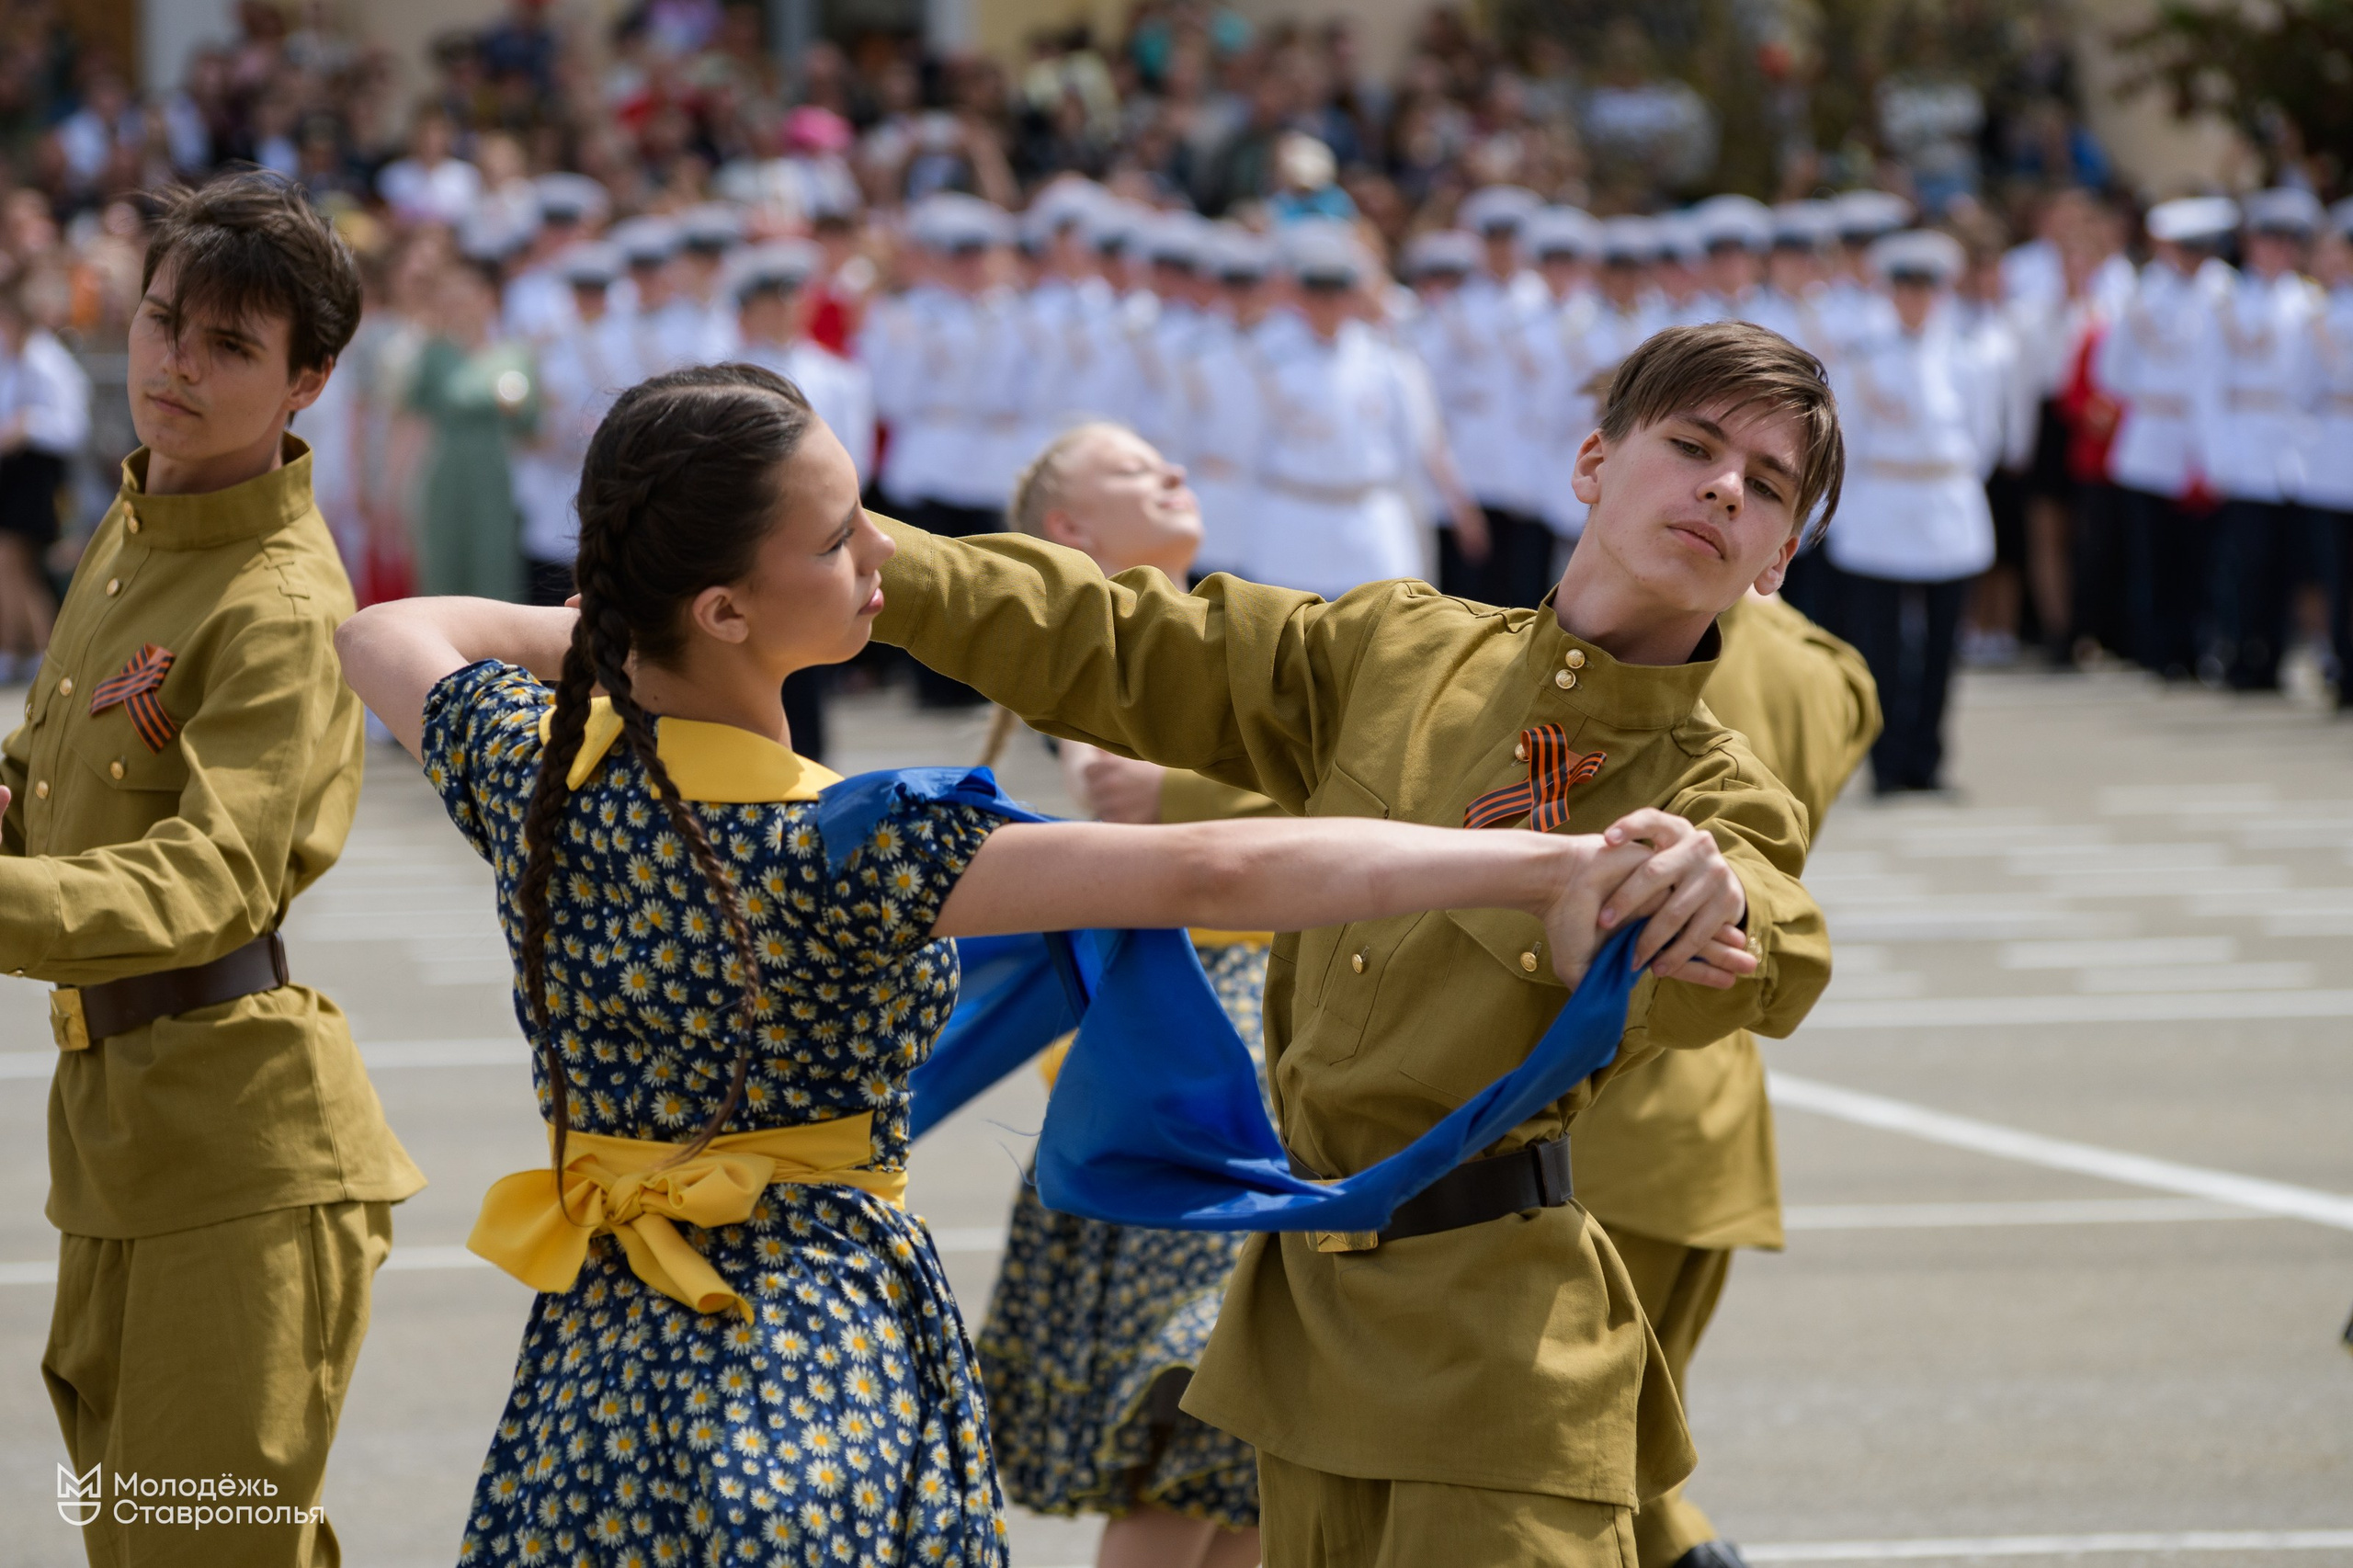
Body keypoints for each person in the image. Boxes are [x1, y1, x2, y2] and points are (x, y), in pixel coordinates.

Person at [331, 362, 1756, 1568]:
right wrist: (1553, 861)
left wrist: (623, 642)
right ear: (725, 606)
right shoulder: (849, 840)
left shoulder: (536, 774)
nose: (880, 555)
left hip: (600, 1343)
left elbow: (388, 629)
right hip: (807, 1333)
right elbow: (1219, 874)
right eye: (838, 541)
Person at [865, 320, 1838, 1564]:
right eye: (1693, 446)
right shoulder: (1399, 649)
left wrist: (1729, 905)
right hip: (1303, 1335)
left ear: (1776, 561)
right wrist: (872, 556)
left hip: (1492, 1349)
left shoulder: (1711, 792)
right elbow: (1119, 641)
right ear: (1593, 461)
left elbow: (1778, 935)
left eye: (1765, 487)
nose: (1722, 488)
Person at [15, 170, 424, 1567]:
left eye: (231, 346)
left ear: (309, 379)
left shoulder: (281, 600)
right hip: (119, 1138)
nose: (176, 365)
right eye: (163, 321)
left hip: (240, 1155)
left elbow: (206, 882)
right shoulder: (136, 527)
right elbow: (46, 779)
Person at [981, 421, 1274, 1568]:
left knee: (1255, 1429)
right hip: (1188, 1036)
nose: (1172, 468)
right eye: (1131, 466)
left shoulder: (1245, 627)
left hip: (1272, 1027)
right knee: (1196, 1387)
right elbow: (1133, 793)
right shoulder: (1090, 647)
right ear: (1070, 531)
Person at [1572, 585, 1881, 1568]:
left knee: (1574, 1464)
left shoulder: (1619, 656)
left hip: (1599, 1110)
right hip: (1709, 1111)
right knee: (1619, 1463)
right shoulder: (1829, 670)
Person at [1827, 231, 2000, 794]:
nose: (1915, 300)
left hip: (1946, 510)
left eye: (1926, 288)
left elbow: (1985, 440)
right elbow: (1843, 437)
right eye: (1905, 288)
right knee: (1880, 647)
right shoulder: (1863, 356)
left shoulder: (1969, 354)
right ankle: (1886, 763)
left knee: (1942, 649)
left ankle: (1927, 759)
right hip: (1883, 507)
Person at [2095, 196, 2234, 681]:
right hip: (2153, 436)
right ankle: (2158, 649)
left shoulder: (2226, 293)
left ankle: (2202, 647)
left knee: (2205, 557)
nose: (2192, 259)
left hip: (2207, 441)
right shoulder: (2146, 294)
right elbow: (2111, 369)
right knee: (2154, 556)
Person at [2200, 188, 2323, 691]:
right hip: (2244, 442)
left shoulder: (2308, 301)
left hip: (2291, 447)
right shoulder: (2228, 300)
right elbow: (2208, 382)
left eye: (2288, 243)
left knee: (2287, 561)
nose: (2278, 252)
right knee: (2242, 560)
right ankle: (2239, 649)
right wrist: (2215, 451)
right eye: (2269, 241)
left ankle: (2274, 654)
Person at [406, 245, 537, 602]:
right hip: (446, 471)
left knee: (492, 573)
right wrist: (396, 488)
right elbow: (412, 423)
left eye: (468, 295)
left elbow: (531, 426)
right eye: (453, 296)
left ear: (488, 298)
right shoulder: (434, 353)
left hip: (494, 475)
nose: (459, 304)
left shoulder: (514, 355)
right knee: (442, 573)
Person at [513, 241, 636, 607]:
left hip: (602, 475)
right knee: (546, 583)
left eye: (597, 292)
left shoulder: (628, 339)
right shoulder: (547, 342)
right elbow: (528, 407)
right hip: (553, 473)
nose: (590, 300)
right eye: (583, 291)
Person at [0, 274, 90, 677]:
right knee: (8, 565)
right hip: (14, 474)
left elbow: (72, 428)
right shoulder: (13, 358)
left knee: (18, 564)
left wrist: (28, 425)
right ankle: (16, 648)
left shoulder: (48, 360)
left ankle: (40, 650)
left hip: (37, 475)